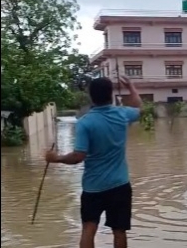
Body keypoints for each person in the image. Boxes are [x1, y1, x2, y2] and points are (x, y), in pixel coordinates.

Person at [45, 76, 142, 248]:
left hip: (93, 187)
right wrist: (131, 87)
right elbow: (138, 107)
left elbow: (78, 156)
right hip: (120, 185)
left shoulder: (85, 123)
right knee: (119, 231)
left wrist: (56, 158)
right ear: (111, 94)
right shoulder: (122, 114)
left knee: (89, 228)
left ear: (91, 96)